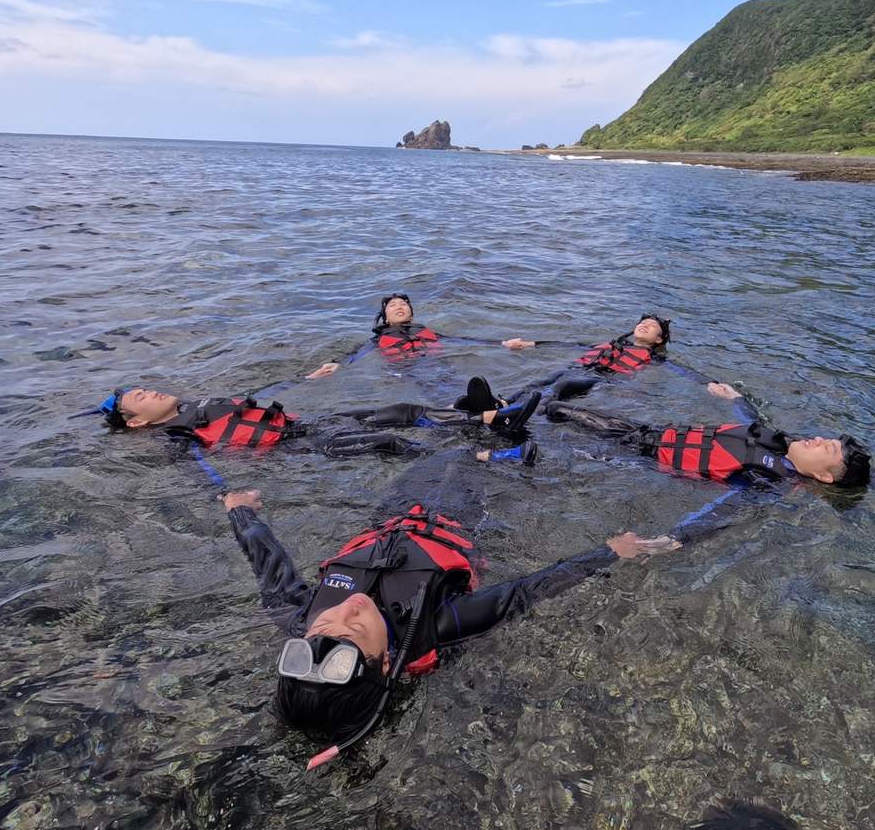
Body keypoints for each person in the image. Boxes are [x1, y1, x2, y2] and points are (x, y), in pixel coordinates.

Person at [219, 451, 683, 768]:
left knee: (444, 455)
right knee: (474, 465)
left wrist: (240, 510)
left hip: (396, 512)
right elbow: (524, 592)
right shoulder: (435, 626)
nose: (348, 608)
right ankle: (493, 454)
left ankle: (479, 443)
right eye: (355, 631)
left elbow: (269, 562)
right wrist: (609, 552)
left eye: (325, 623)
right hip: (459, 518)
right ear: (384, 664)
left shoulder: (298, 618)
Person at [95, 385, 542, 463]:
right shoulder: (175, 437)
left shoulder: (193, 405)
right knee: (386, 440)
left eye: (146, 387)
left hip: (311, 424)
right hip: (300, 450)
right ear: (136, 424)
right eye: (140, 398)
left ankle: (492, 417)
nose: (151, 391)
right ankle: (488, 454)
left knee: (402, 410)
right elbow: (199, 469)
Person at [543, 386, 871, 488]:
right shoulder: (783, 444)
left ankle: (514, 412)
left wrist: (673, 539)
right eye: (825, 437)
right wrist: (736, 398)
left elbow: (719, 513)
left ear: (823, 476)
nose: (816, 438)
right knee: (559, 407)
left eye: (826, 447)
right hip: (649, 432)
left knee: (556, 410)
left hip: (636, 453)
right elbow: (754, 426)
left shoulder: (765, 480)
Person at [304, 293, 538, 379]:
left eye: (404, 304)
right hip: (408, 371)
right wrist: (336, 366)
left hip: (438, 366)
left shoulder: (428, 333)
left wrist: (504, 343)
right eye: (393, 305)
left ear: (412, 315)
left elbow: (464, 341)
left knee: (452, 380)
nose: (399, 306)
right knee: (437, 385)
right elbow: (356, 355)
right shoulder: (376, 341)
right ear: (385, 319)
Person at [467, 314, 674, 409]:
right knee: (540, 381)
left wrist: (706, 383)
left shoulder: (654, 357)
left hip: (601, 377)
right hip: (578, 367)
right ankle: (503, 403)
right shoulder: (611, 344)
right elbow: (568, 344)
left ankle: (524, 413)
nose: (645, 325)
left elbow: (682, 371)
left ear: (659, 340)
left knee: (562, 386)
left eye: (652, 326)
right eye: (642, 322)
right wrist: (527, 344)